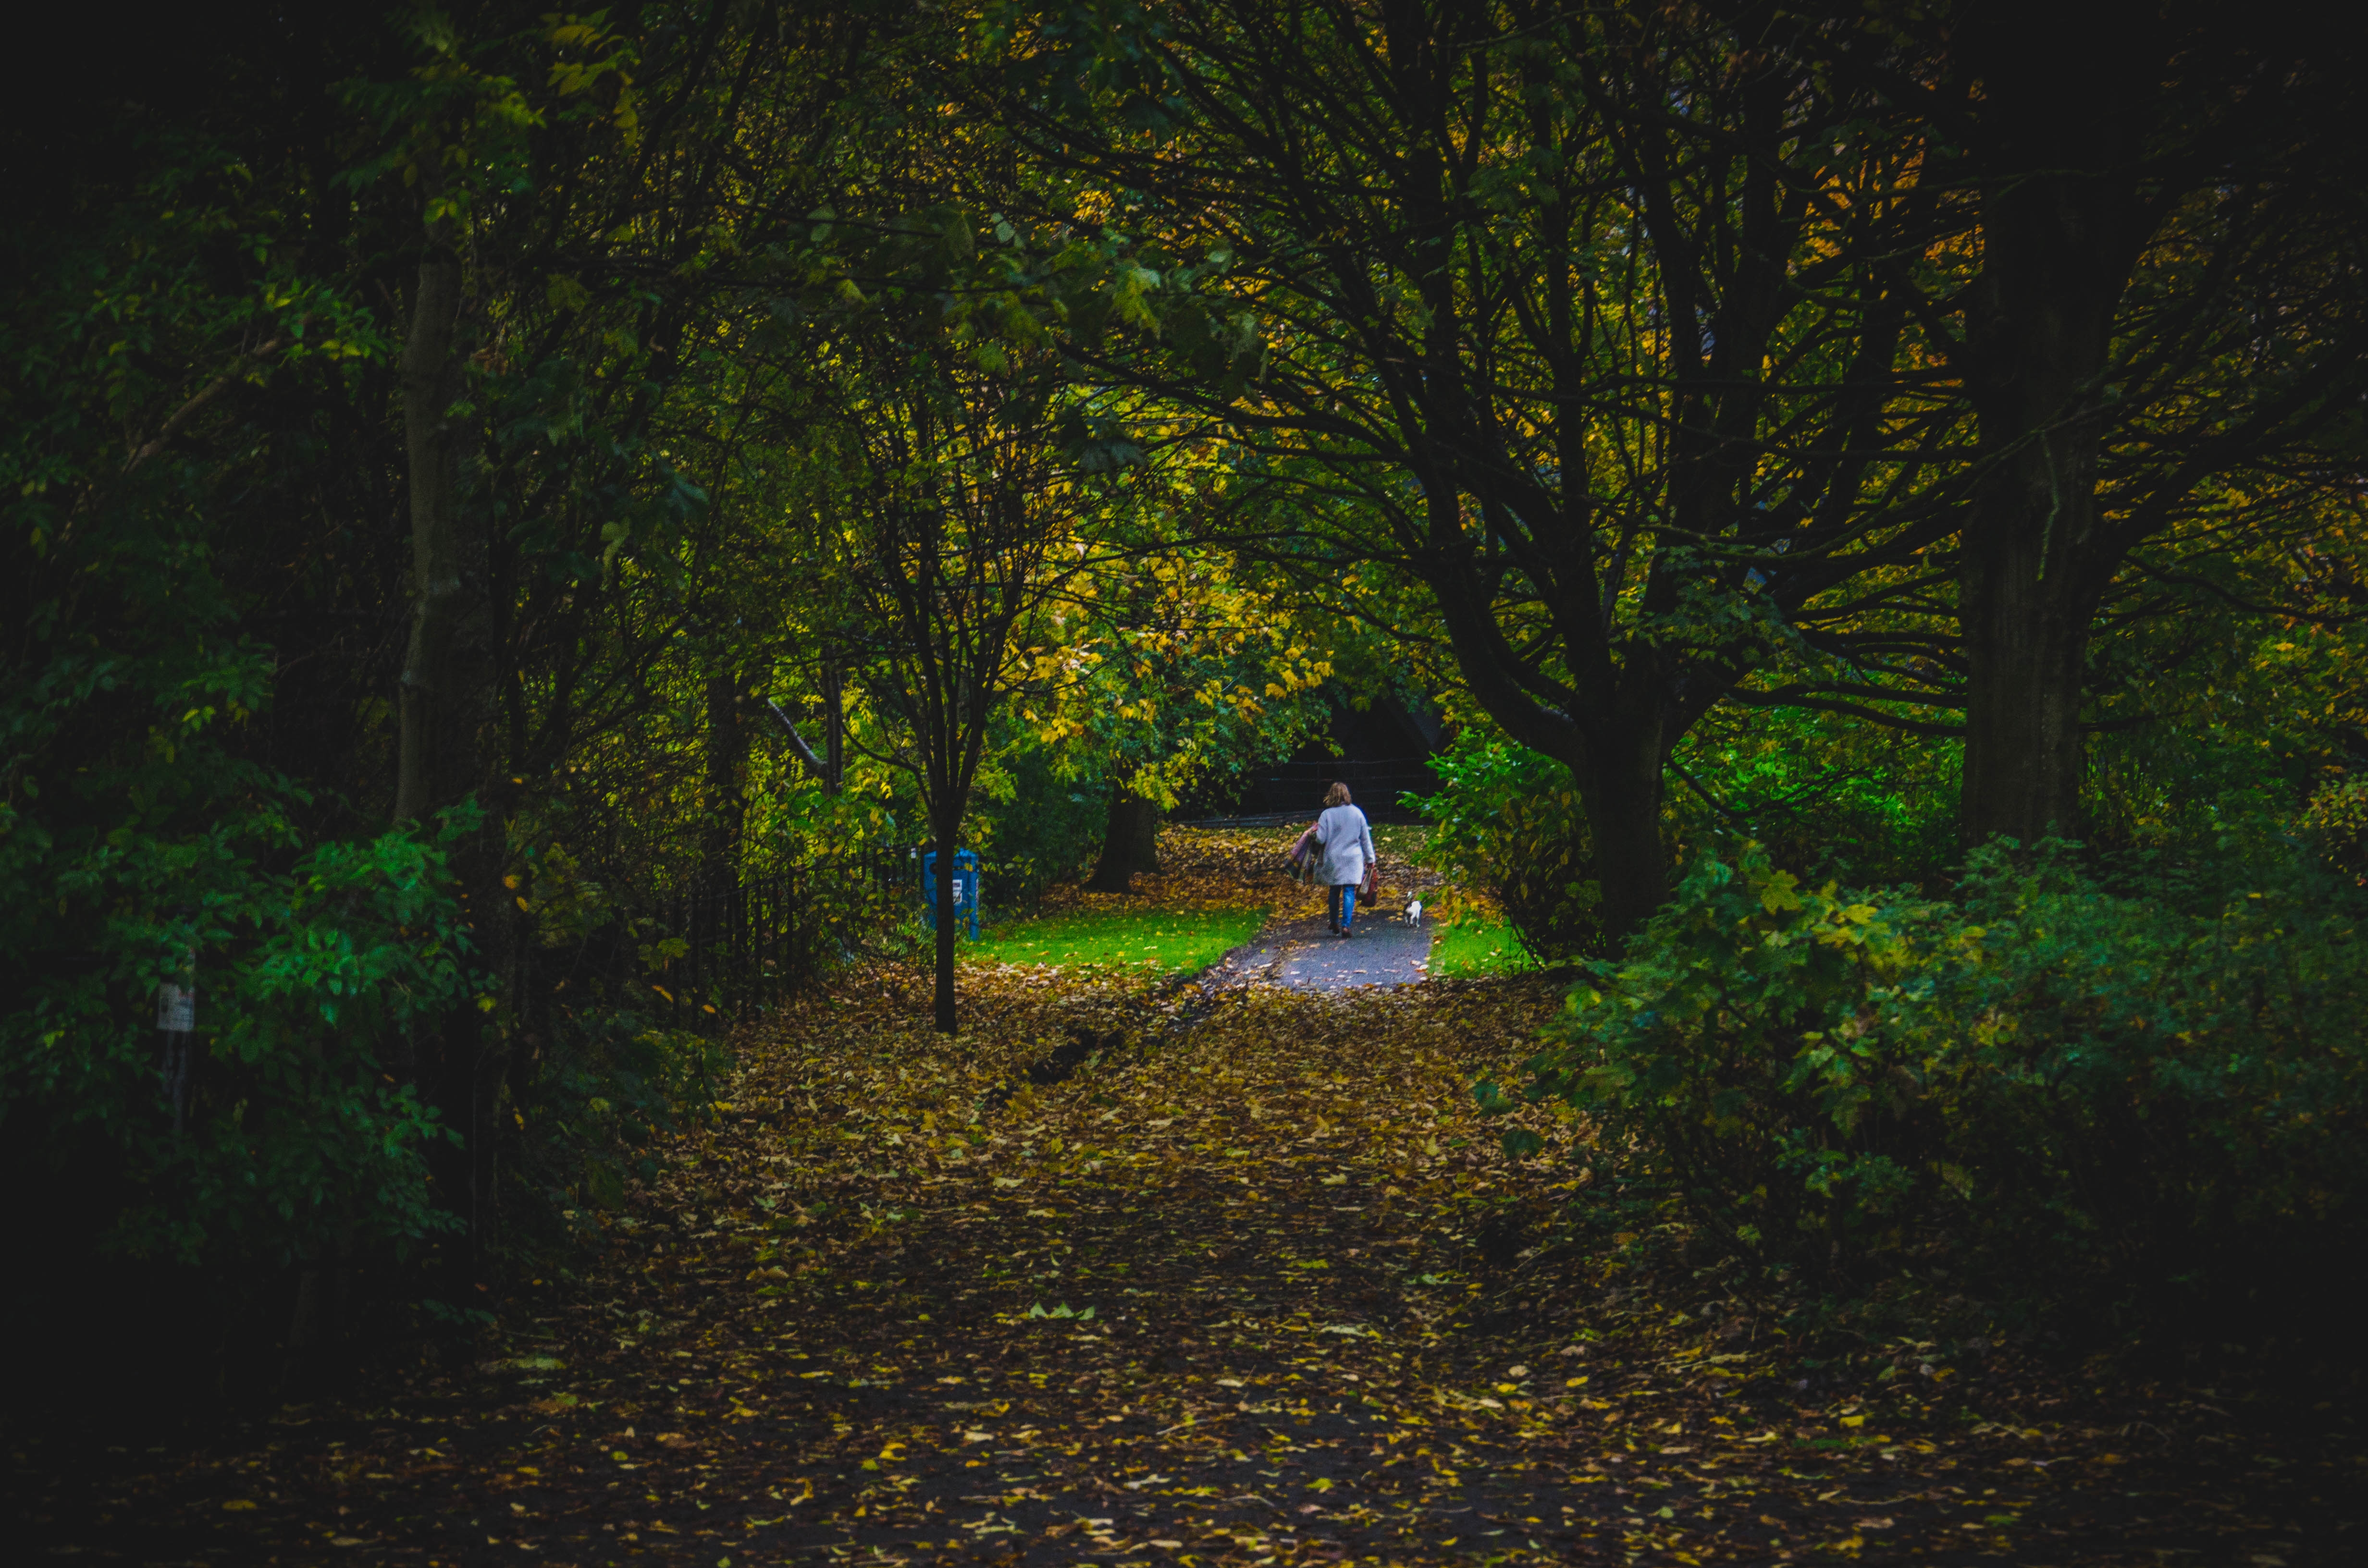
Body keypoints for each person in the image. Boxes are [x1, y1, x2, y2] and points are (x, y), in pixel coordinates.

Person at [1300, 781, 1376, 936]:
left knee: (1334, 891)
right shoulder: (1357, 813)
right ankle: (1346, 925)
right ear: (1347, 795)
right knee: (1349, 890)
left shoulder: (1327, 815)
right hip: (1353, 858)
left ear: (1331, 796)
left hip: (1333, 858)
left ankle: (1334, 922)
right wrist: (1370, 858)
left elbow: (1321, 839)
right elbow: (1365, 839)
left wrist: (1312, 833)